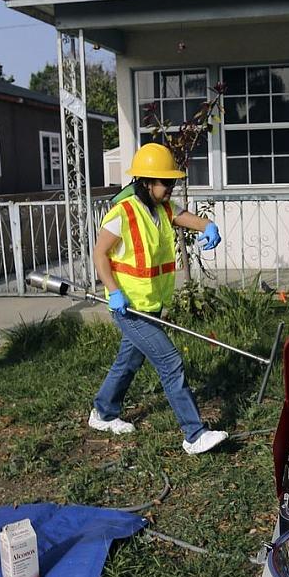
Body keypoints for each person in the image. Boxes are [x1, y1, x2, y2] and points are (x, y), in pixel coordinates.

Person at [89, 143, 228, 455]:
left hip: (151, 305)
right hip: (128, 307)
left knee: (129, 360)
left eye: (172, 182)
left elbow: (188, 218)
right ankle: (194, 434)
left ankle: (102, 412)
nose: (170, 188)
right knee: (170, 361)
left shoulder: (163, 209)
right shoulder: (122, 213)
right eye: (165, 183)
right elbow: (99, 254)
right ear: (145, 182)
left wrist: (210, 226)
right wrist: (113, 291)